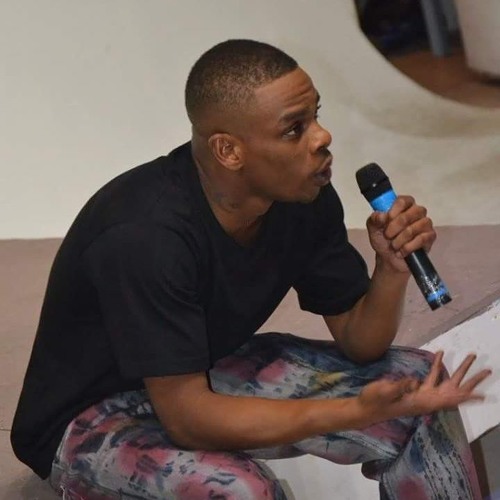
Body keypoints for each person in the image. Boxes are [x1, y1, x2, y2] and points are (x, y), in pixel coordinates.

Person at [11, 39, 490, 500]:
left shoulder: (303, 197)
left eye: (316, 116)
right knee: (240, 490)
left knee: (420, 388)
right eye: (294, 129)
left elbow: (361, 341)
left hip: (200, 371)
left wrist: (390, 267)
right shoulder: (145, 234)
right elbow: (188, 419)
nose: (322, 137)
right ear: (229, 151)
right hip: (88, 419)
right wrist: (347, 413)